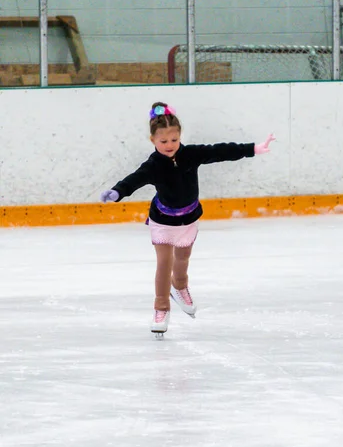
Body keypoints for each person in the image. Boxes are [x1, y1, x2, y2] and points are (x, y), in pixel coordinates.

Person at [101, 101, 275, 334]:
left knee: (182, 259)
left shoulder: (191, 154)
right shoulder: (153, 165)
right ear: (153, 140)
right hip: (163, 220)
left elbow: (219, 151)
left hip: (189, 217)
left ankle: (179, 286)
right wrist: (117, 192)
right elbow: (134, 179)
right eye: (163, 141)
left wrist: (252, 148)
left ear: (180, 136)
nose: (169, 145)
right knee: (165, 263)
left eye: (174, 140)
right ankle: (161, 306)